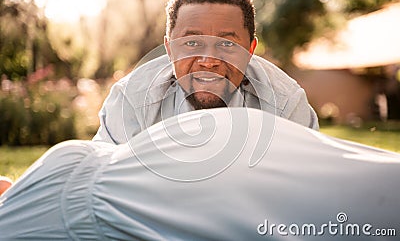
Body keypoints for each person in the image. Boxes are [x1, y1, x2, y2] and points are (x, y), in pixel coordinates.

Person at [0, 108, 399, 240]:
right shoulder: (36, 210)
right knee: (350, 197)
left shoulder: (45, 188)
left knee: (348, 183)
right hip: (171, 173)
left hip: (191, 153)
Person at [93, 0, 319, 145]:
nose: (208, 61)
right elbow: (104, 186)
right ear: (169, 49)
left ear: (250, 50)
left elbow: (308, 185)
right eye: (192, 43)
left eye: (227, 44)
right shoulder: (131, 99)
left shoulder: (285, 103)